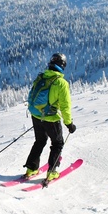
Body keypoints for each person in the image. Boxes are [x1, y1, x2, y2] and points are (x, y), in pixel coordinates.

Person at [23, 53, 76, 181]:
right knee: (57, 143)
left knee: (40, 141)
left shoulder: (41, 77)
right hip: (51, 118)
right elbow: (65, 106)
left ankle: (31, 168)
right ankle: (52, 172)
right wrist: (69, 123)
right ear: (63, 66)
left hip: (36, 115)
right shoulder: (61, 83)